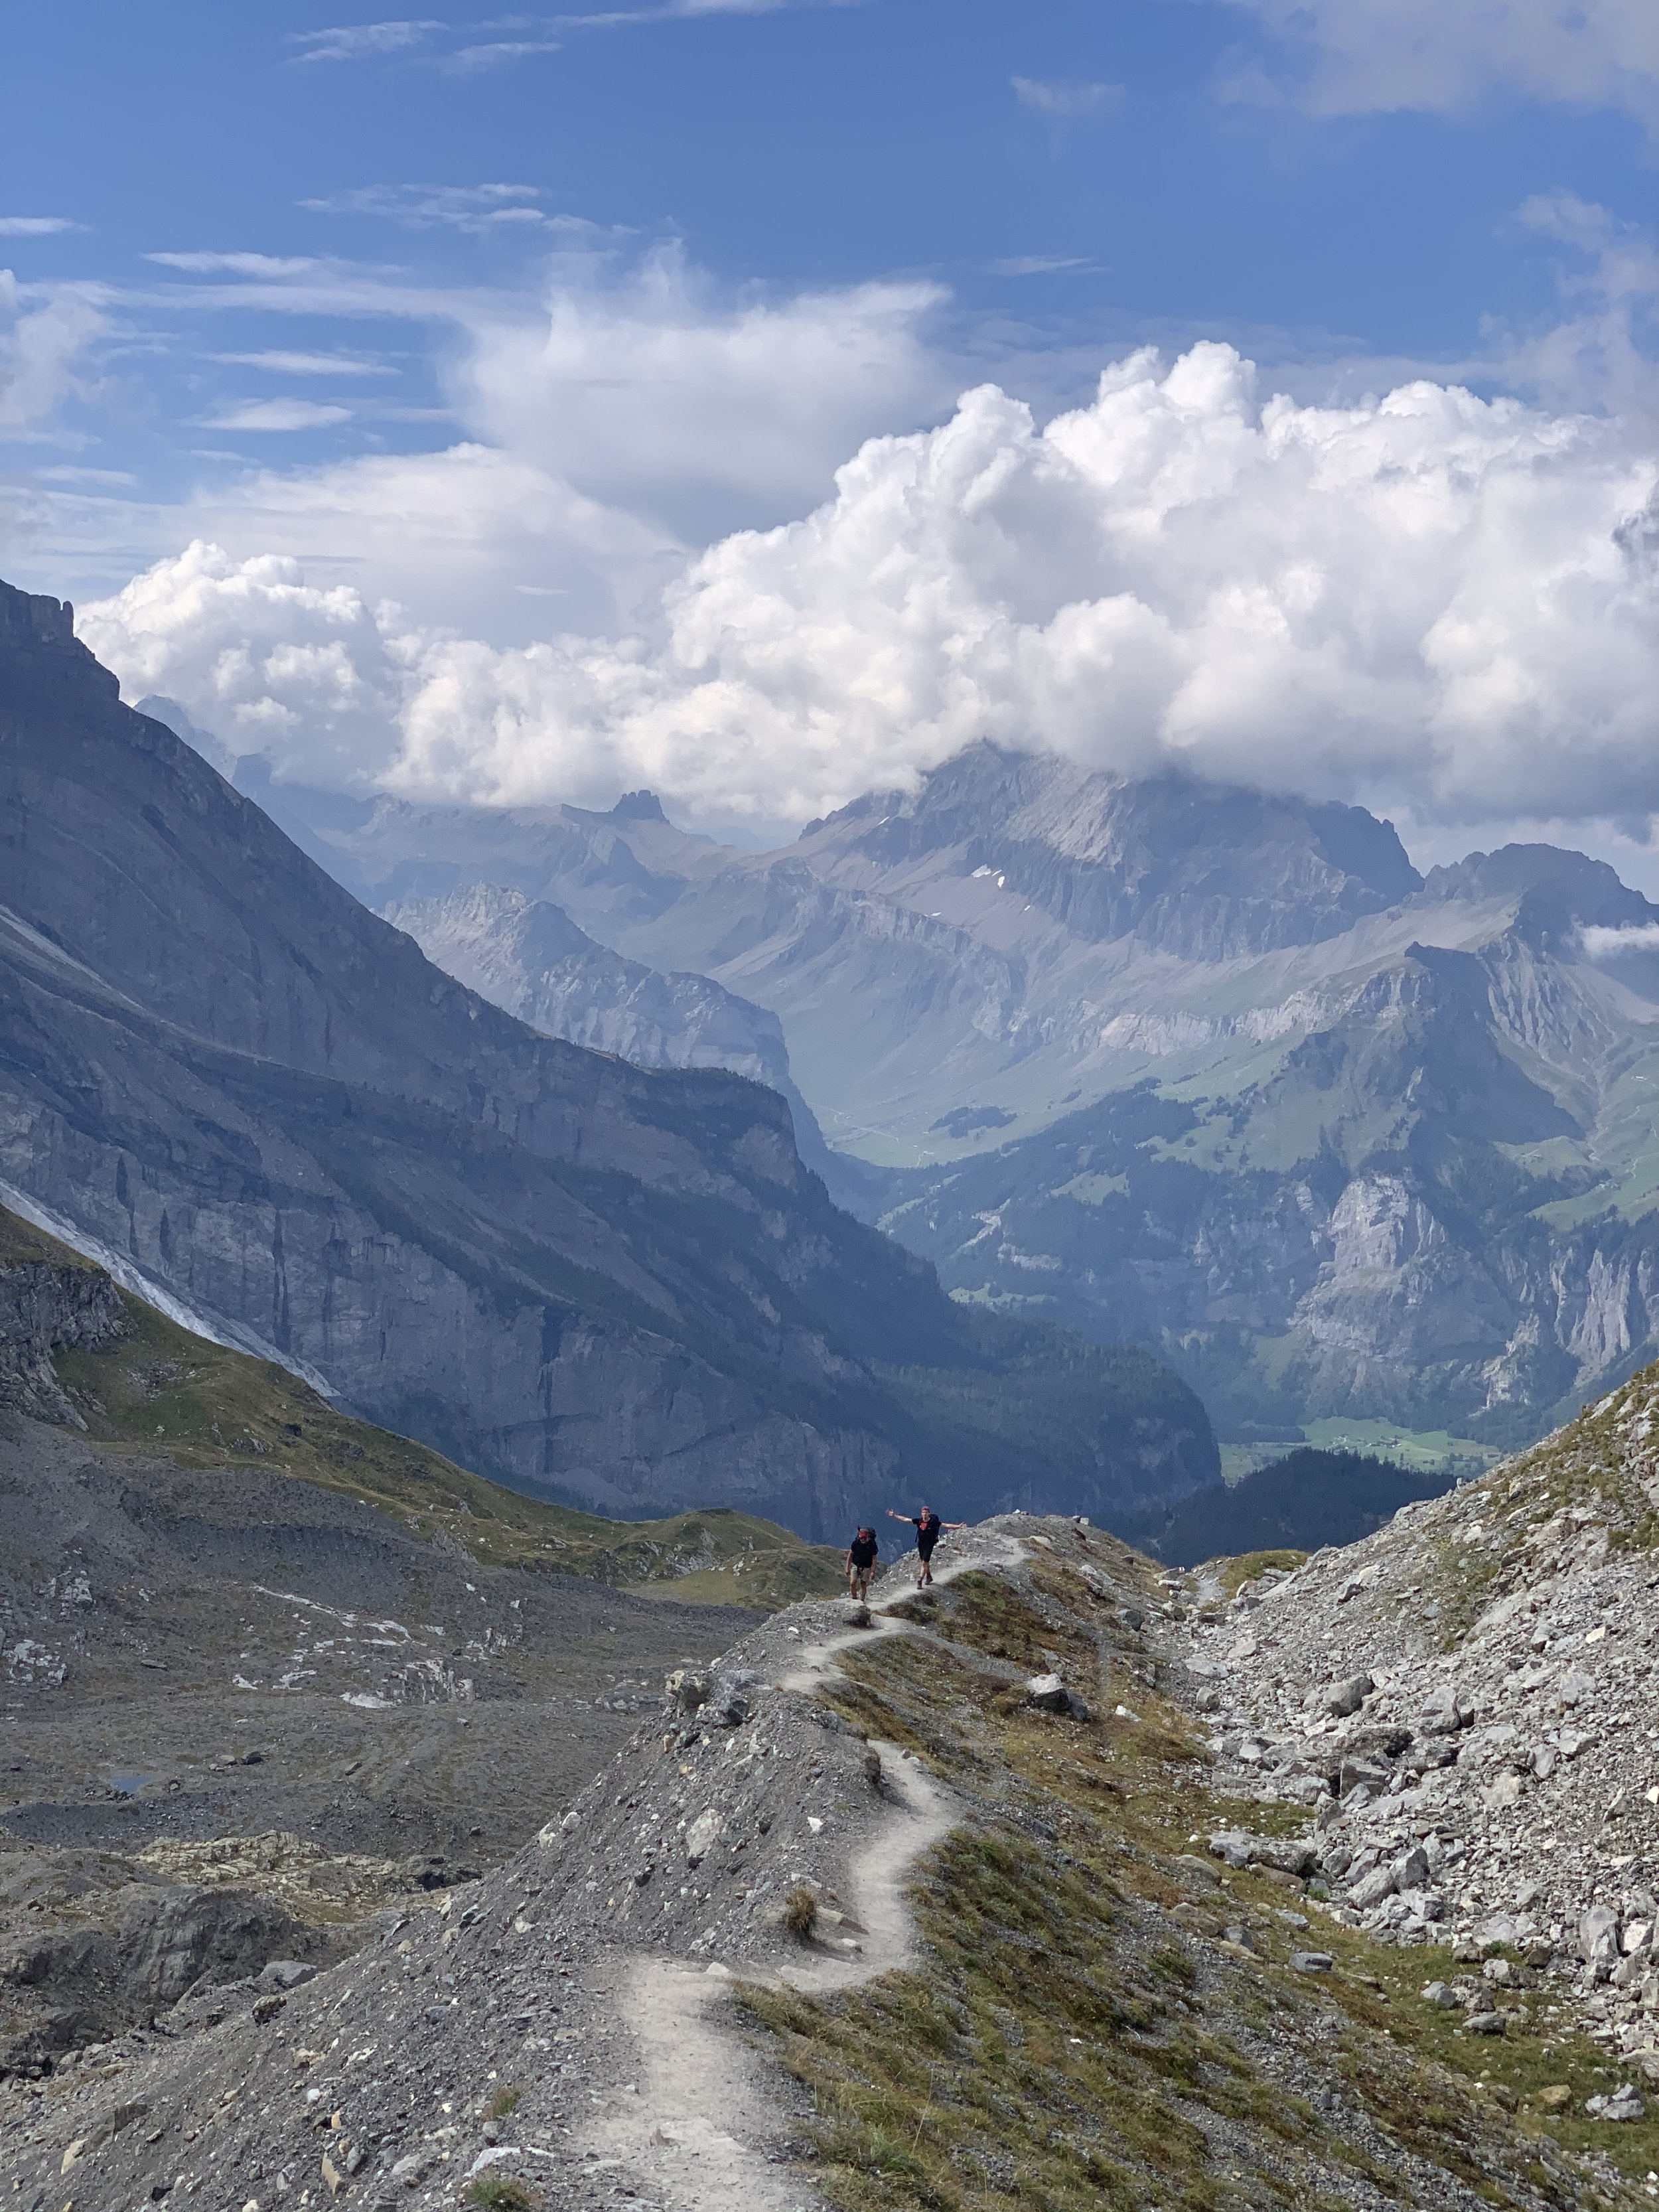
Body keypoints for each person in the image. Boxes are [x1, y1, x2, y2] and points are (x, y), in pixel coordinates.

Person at [886, 1503, 966, 1587]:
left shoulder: (933, 1522)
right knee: (925, 1562)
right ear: (921, 1513)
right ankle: (929, 1576)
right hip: (921, 1544)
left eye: (926, 1512)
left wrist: (958, 1527)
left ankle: (920, 1581)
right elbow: (906, 1520)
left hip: (929, 1544)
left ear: (929, 1513)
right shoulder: (919, 1521)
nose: (924, 1514)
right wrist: (895, 1516)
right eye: (923, 1512)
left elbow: (945, 1525)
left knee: (924, 1562)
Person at [845, 1524, 879, 1601]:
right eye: (861, 1538)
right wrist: (847, 1568)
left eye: (864, 1538)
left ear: (867, 1537)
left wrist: (873, 1571)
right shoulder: (855, 1543)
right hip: (855, 1565)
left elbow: (874, 1558)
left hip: (866, 1567)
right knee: (852, 1583)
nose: (862, 1540)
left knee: (863, 1584)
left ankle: (862, 1600)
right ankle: (854, 1598)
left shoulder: (872, 1545)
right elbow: (850, 1555)